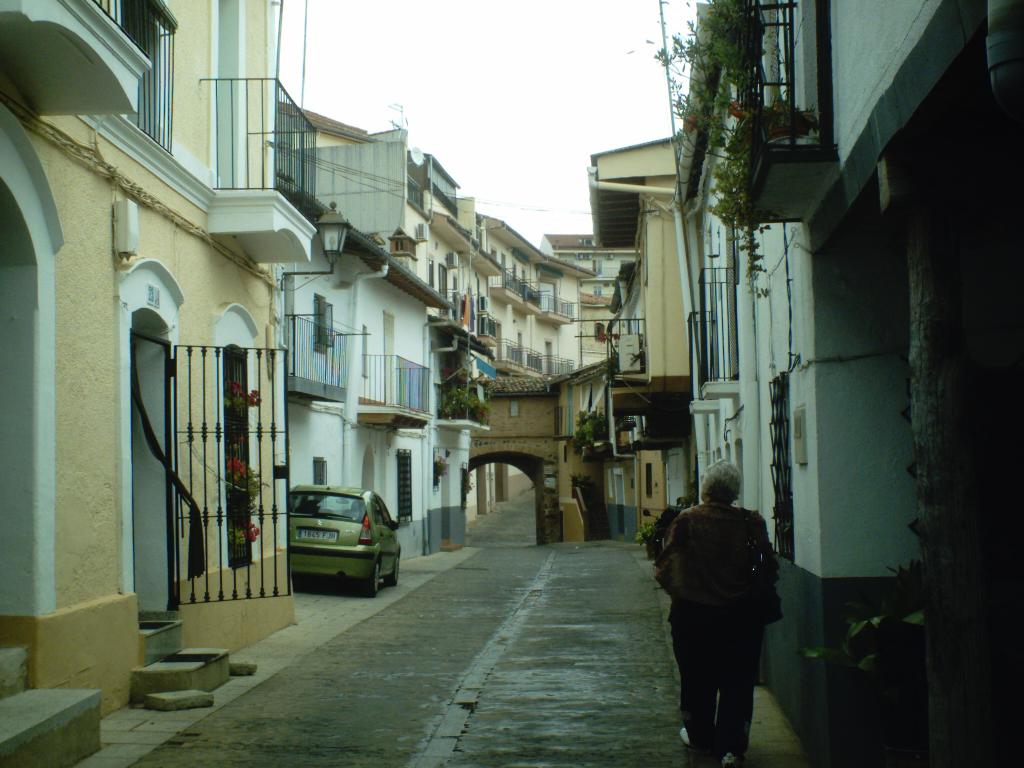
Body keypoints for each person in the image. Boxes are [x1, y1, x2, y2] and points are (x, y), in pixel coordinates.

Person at [658, 461, 779, 768]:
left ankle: (700, 737)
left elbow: (665, 568)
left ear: (706, 488)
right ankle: (731, 749)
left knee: (697, 680)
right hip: (742, 619)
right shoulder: (752, 522)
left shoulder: (687, 521)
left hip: (694, 618)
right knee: (737, 683)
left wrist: (685, 590)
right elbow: (765, 565)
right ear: (733, 491)